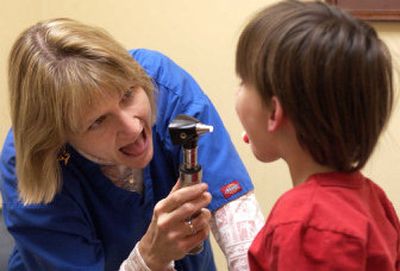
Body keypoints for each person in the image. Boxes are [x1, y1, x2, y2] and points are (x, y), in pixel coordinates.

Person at [0, 18, 265, 271]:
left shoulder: (159, 80)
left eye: (128, 95)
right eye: (98, 121)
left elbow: (237, 219)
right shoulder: (30, 163)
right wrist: (149, 259)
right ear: (59, 137)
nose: (133, 127)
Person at [234, 0, 400, 270]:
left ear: (274, 112)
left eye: (242, 81)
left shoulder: (305, 224)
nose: (237, 91)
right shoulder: (374, 200)